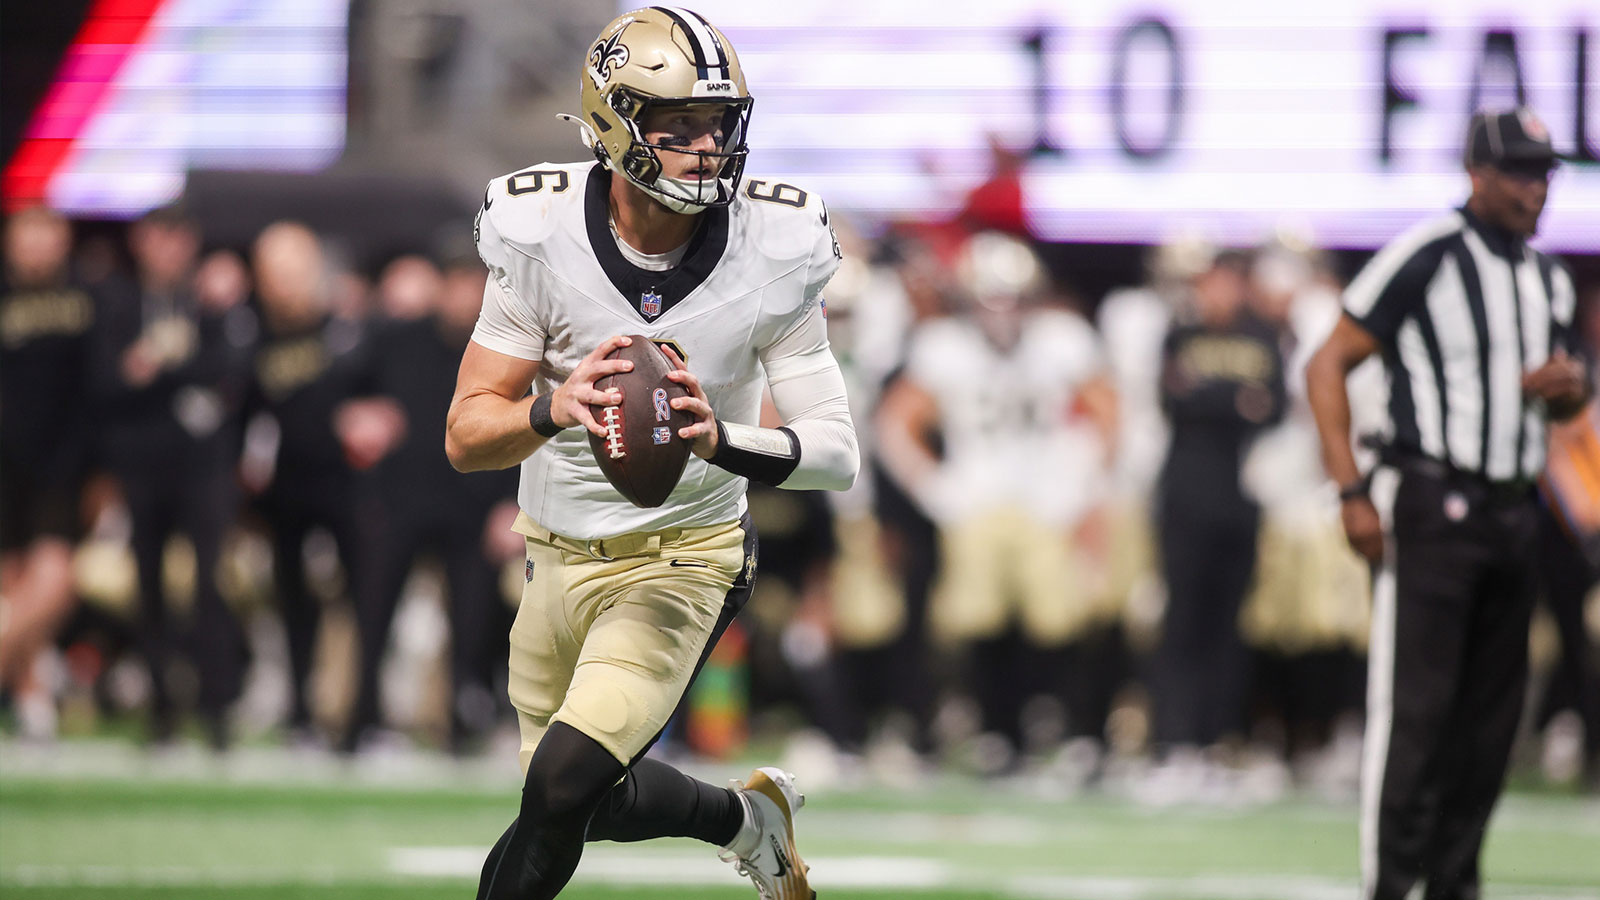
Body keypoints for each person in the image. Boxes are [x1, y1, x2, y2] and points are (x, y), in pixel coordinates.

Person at [444, 9, 856, 900]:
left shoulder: (778, 246)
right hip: (552, 552)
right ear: (613, 126)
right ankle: (747, 823)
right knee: (583, 798)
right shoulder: (537, 227)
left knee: (557, 790)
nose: (708, 149)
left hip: (687, 555)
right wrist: (552, 408)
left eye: (719, 124)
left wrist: (722, 438)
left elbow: (835, 453)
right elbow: (467, 436)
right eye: (679, 130)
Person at [1305, 107, 1587, 900]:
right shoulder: (1427, 254)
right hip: (1432, 501)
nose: (1537, 190)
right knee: (1417, 714)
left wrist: (1567, 393)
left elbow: (1570, 400)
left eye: (1545, 173)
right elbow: (1328, 365)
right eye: (1521, 173)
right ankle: (1391, 887)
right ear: (1478, 175)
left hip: (1514, 509)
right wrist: (1352, 492)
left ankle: (1455, 882)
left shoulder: (1549, 278)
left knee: (1491, 724)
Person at [876, 231, 1115, 774]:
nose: (1003, 311)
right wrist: (934, 488)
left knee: (1060, 620)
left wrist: (1084, 485)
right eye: (991, 297)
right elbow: (894, 421)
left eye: (1014, 297)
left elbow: (1107, 410)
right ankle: (996, 731)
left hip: (1046, 500)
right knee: (980, 622)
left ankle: (1066, 727)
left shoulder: (1062, 338)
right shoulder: (944, 345)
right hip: (978, 501)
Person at [90, 205, 251, 747]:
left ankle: (217, 710)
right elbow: (104, 384)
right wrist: (154, 376)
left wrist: (156, 368)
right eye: (159, 237)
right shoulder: (117, 302)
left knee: (209, 583)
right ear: (141, 242)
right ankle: (162, 708)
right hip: (142, 466)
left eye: (179, 238)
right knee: (150, 584)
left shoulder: (211, 300)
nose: (169, 249)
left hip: (203, 468)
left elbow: (230, 373)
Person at [1146, 250, 1285, 796]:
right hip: (1184, 498)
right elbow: (1172, 399)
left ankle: (1215, 742)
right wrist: (1235, 400)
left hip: (1240, 498)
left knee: (1228, 628)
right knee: (1182, 623)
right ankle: (1172, 743)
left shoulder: (1261, 338)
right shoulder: (1178, 333)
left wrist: (1208, 396)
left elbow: (1273, 408)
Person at [0, 206, 94, 739]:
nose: (34, 247)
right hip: (4, 463)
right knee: (11, 584)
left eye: (45, 236)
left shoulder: (86, 297)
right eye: (24, 236)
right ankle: (34, 705)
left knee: (54, 581)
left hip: (64, 464)